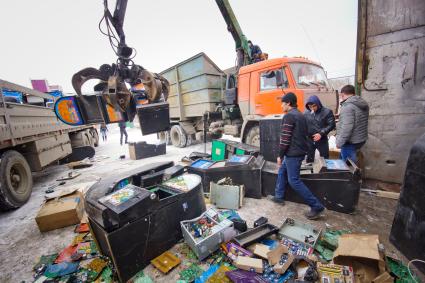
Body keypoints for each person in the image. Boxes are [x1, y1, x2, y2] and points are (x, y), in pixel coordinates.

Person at [272, 92, 325, 220]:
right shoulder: (300, 114)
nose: (281, 106)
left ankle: (316, 206)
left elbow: (285, 139)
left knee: (294, 181)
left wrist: (280, 155)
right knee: (282, 171)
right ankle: (278, 196)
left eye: (282, 103)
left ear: (288, 103)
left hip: (293, 153)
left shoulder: (289, 116)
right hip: (299, 151)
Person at [336, 85, 369, 163]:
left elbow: (347, 128)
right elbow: (357, 118)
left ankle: (349, 175)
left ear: (342, 94)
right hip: (360, 139)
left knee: (349, 168)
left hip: (350, 142)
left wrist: (339, 143)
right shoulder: (361, 103)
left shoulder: (347, 106)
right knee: (343, 162)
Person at [304, 95, 336, 163]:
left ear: (318, 104)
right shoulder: (306, 113)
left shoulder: (327, 112)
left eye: (314, 106)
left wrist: (321, 133)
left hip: (322, 139)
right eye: (310, 107)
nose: (312, 108)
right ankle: (311, 172)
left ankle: (324, 172)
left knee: (324, 159)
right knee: (309, 159)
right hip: (309, 139)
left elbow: (332, 124)